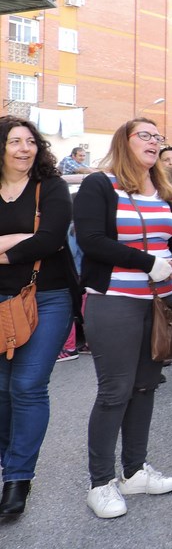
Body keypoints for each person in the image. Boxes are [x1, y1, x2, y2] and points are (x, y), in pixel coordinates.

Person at [74, 118, 172, 519]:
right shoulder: (100, 185)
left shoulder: (163, 189)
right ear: (125, 141)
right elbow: (91, 241)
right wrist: (146, 262)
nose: (154, 142)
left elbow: (171, 240)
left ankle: (134, 471)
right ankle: (100, 483)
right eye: (145, 136)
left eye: (158, 137)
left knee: (145, 387)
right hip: (115, 300)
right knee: (114, 391)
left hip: (158, 302)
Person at [0, 117, 74, 517]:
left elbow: (51, 239)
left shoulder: (52, 186)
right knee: (1, 389)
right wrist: (23, 240)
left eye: (30, 141)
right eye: (14, 141)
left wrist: (5, 251)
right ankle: (9, 460)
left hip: (47, 297)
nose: (24, 149)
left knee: (27, 386)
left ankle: (17, 479)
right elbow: (39, 240)